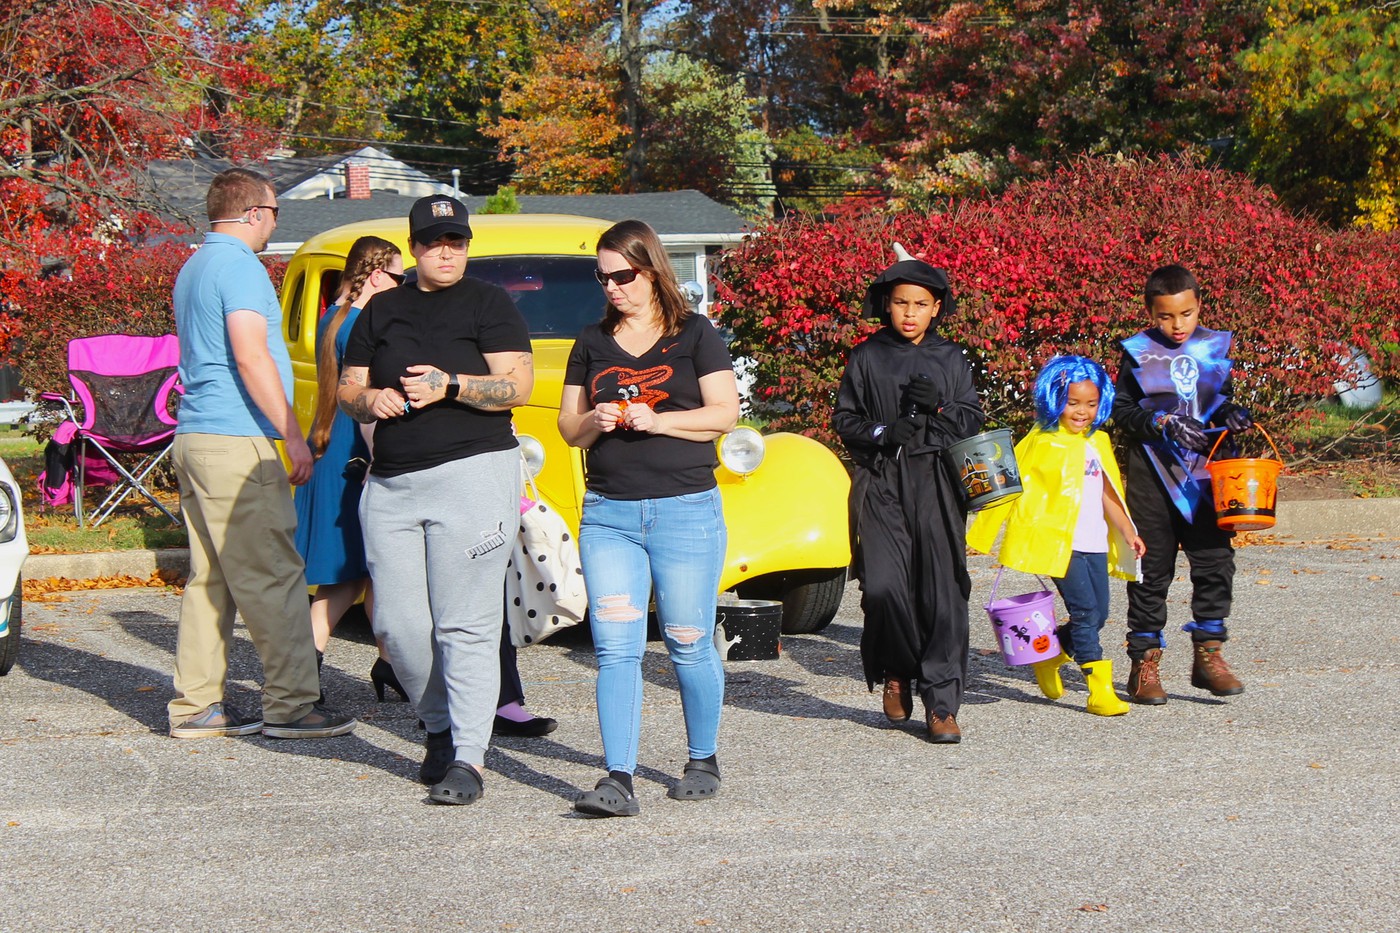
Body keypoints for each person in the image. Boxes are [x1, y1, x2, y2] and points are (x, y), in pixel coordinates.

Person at [338, 194, 533, 805]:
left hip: (474, 474)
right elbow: (348, 389)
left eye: (456, 241)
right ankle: (441, 726)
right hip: (393, 482)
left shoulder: (489, 302)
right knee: (397, 627)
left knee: (465, 625)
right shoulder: (380, 310)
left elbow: (517, 387)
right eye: (432, 241)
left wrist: (452, 385)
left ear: (466, 246)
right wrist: (370, 402)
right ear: (414, 246)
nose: (445, 251)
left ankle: (469, 759)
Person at [167, 167, 356, 740]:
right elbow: (252, 357)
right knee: (275, 574)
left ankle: (196, 705)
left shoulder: (194, 265)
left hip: (195, 436)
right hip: (235, 443)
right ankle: (293, 705)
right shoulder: (241, 268)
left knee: (212, 578)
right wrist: (292, 436)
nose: (277, 222)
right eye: (275, 212)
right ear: (253, 213)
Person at [558, 219, 739, 817]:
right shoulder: (590, 341)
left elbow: (724, 415)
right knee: (616, 648)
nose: (612, 287)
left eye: (623, 275)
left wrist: (657, 421)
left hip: (686, 510)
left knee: (688, 641)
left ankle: (702, 757)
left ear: (652, 270)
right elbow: (569, 430)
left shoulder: (695, 334)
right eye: (603, 277)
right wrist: (597, 421)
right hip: (609, 516)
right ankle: (617, 779)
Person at [832, 244, 985, 744]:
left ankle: (941, 702)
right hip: (881, 482)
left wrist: (939, 407)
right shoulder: (867, 355)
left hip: (938, 482)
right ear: (886, 303)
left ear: (937, 307)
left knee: (942, 595)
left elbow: (972, 420)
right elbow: (845, 420)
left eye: (921, 304)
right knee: (882, 588)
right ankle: (896, 668)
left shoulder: (950, 357)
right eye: (901, 303)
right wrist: (881, 433)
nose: (911, 313)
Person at [967, 356, 1146, 716]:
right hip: (1058, 542)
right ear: (1055, 399)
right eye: (1072, 402)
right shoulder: (1040, 441)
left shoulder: (1098, 441)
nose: (1082, 412)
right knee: (1084, 612)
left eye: (1091, 404)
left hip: (1094, 541)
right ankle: (1098, 691)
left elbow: (1108, 491)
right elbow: (1008, 483)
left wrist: (1128, 529)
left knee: (1099, 614)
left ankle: (1048, 658)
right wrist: (982, 533)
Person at [1111, 263, 1252, 704]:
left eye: (1186, 314)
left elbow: (1219, 397)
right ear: (1151, 312)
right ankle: (1144, 662)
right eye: (1166, 316)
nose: (1177, 325)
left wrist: (1233, 413)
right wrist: (1161, 422)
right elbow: (1121, 411)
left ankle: (1209, 654)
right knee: (1151, 572)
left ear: (1198, 306)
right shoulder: (1137, 352)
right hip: (1153, 475)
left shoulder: (1213, 346)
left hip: (1207, 474)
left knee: (1214, 563)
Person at [293, 235, 402, 687]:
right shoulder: (363, 324)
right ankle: (303, 668)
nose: (403, 284)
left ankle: (391, 664)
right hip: (355, 452)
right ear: (376, 275)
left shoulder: (331, 320)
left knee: (374, 568)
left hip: (330, 443)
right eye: (399, 276)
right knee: (348, 576)